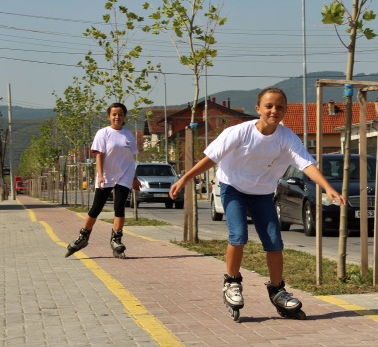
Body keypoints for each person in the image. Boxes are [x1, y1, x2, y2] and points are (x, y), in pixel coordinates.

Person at [169, 87, 345, 320]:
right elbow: (211, 158)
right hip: (233, 188)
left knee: (274, 242)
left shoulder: (287, 137)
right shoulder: (239, 132)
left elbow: (306, 164)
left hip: (261, 193)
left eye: (280, 107)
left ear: (285, 110)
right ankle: (231, 282)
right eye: (269, 106)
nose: (274, 111)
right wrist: (184, 179)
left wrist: (328, 187)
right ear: (258, 109)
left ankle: (277, 289)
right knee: (238, 236)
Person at [65, 102, 141, 259]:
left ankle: (116, 240)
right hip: (106, 175)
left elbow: (130, 158)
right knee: (96, 208)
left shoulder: (128, 135)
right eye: (114, 114)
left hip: (125, 174)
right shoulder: (103, 133)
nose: (117, 117)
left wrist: (134, 178)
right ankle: (83, 237)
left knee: (119, 206)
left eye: (120, 114)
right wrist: (100, 175)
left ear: (124, 117)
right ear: (109, 116)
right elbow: (99, 155)